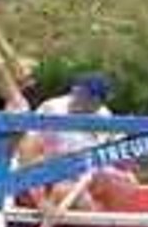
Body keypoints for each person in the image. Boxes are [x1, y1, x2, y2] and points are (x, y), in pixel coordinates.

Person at [18, 74, 138, 212]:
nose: (96, 105)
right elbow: (28, 154)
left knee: (125, 183)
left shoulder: (103, 114)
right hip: (50, 180)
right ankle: (91, 218)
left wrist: (127, 159)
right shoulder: (51, 111)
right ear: (76, 92)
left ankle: (111, 223)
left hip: (83, 177)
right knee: (76, 197)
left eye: (100, 100)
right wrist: (41, 200)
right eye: (90, 98)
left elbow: (121, 151)